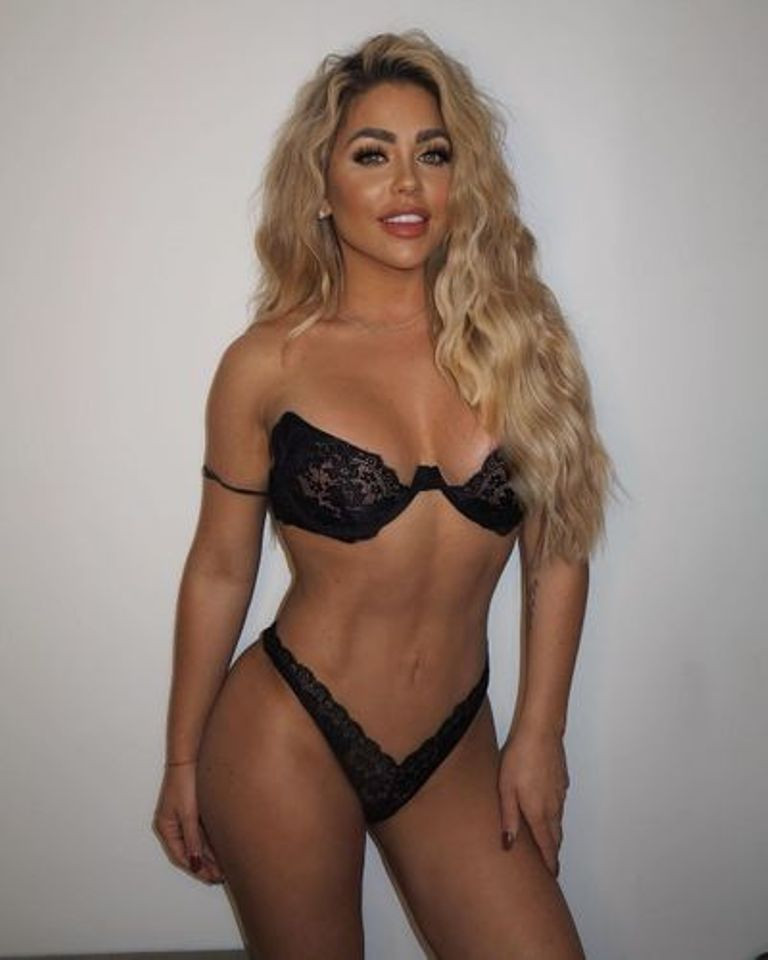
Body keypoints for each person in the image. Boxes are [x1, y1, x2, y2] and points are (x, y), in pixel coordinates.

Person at [152, 28, 617, 959]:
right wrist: (183, 758)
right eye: (373, 155)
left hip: (455, 743)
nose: (407, 184)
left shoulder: (525, 344)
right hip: (288, 730)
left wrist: (540, 733)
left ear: (462, 180)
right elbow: (220, 567)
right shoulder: (267, 363)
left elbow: (559, 549)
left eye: (432, 154)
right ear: (323, 189)